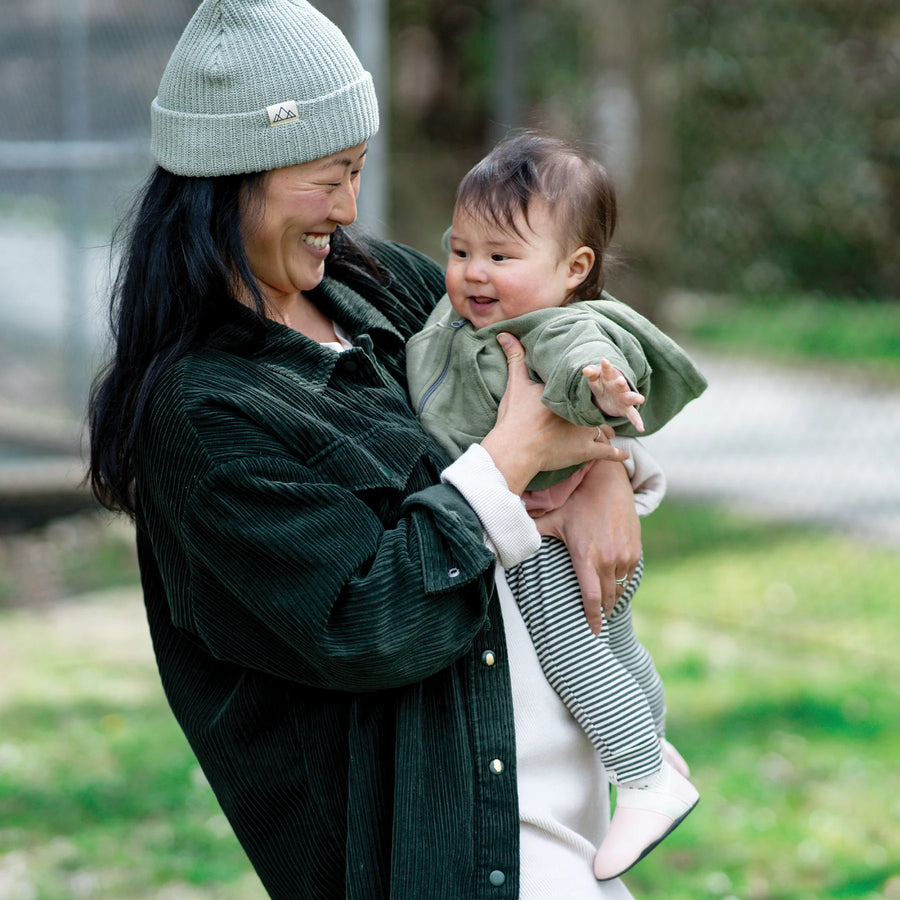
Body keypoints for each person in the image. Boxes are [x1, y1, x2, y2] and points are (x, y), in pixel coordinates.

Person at [85, 2, 667, 897]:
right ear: (233, 173)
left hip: (564, 806)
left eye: (358, 172)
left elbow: (551, 347)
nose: (350, 209)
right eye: (327, 179)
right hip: (446, 854)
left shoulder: (379, 286)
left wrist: (602, 470)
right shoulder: (203, 415)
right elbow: (364, 626)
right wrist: (512, 461)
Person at [406, 132, 707, 880]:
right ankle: (652, 739)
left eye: (501, 257)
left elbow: (579, 369)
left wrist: (601, 391)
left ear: (574, 270)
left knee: (572, 651)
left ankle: (642, 777)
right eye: (462, 249)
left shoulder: (562, 324)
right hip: (570, 529)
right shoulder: (474, 317)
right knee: (615, 645)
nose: (474, 273)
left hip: (542, 537)